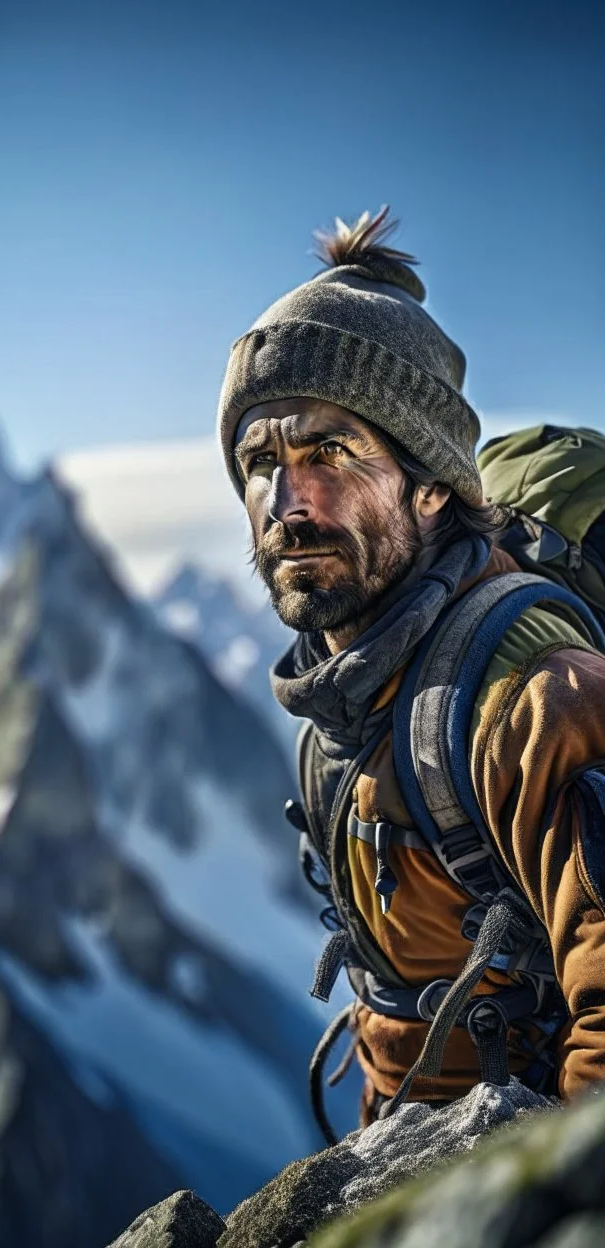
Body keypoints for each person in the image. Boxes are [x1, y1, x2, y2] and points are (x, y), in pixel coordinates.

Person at [215, 207, 605, 1130]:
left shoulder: (532, 700)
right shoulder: (346, 702)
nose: (284, 501)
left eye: (329, 452)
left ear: (432, 485)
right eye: (258, 461)